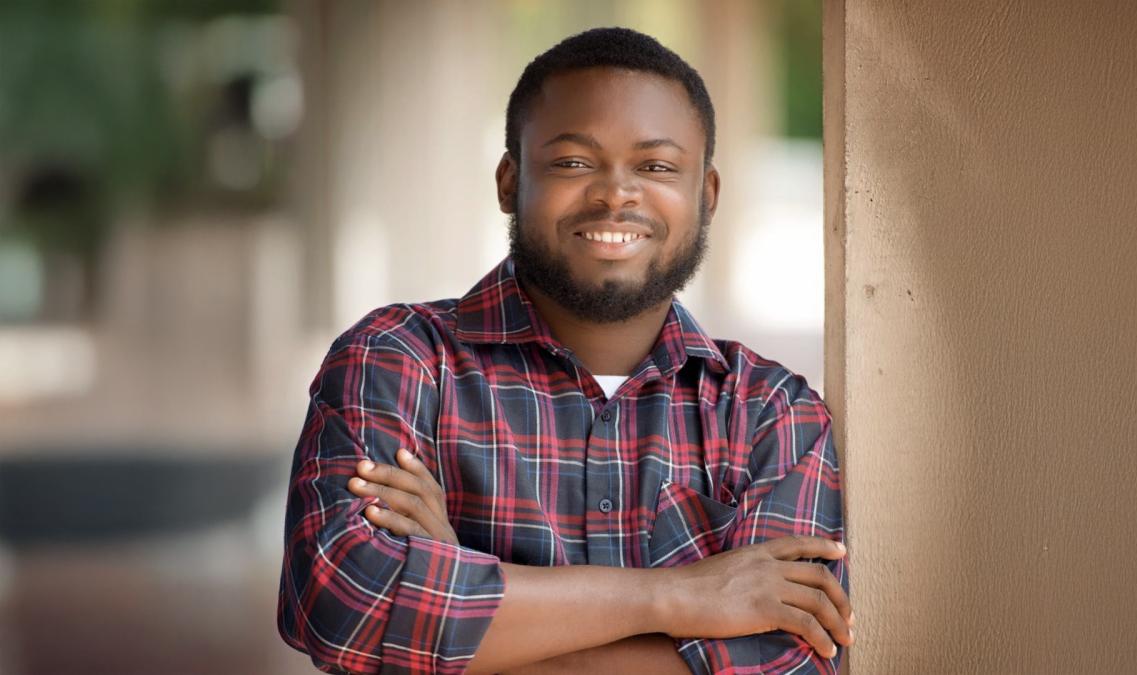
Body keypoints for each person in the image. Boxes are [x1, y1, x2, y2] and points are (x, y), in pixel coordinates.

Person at [277, 27, 852, 675]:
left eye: (657, 166)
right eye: (574, 162)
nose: (615, 193)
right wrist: (682, 594)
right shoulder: (399, 361)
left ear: (706, 195)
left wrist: (458, 614)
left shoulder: (773, 413)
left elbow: (787, 660)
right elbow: (346, 607)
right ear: (508, 181)